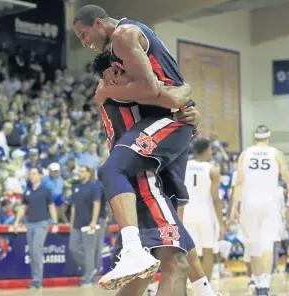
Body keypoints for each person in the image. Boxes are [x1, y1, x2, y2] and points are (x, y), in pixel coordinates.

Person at [86, 25, 218, 296]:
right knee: (174, 261)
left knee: (145, 274)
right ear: (113, 72)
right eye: (126, 67)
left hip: (138, 178)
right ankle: (205, 290)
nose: (134, 69)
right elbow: (168, 94)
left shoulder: (112, 92)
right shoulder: (114, 89)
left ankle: (204, 289)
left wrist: (192, 113)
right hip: (141, 180)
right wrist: (187, 90)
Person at [231, 125, 289, 296]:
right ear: (268, 138)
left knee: (253, 245)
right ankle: (264, 285)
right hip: (270, 205)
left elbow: (239, 183)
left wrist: (233, 207)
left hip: (249, 205)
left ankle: (258, 281)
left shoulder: (245, 154)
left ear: (255, 138)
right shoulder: (276, 153)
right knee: (267, 244)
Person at [183, 138, 225, 280]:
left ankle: (192, 285)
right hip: (205, 216)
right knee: (208, 252)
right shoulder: (212, 170)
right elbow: (216, 199)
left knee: (191, 253)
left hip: (187, 215)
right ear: (207, 150)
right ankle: (205, 289)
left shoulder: (184, 166)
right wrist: (221, 223)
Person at [14, 167, 58, 289]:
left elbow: (52, 207)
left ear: (40, 176)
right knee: (33, 252)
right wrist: (16, 222)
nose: (31, 175)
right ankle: (35, 279)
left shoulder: (46, 191)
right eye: (30, 173)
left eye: (34, 173)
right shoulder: (27, 192)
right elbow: (23, 208)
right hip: (30, 224)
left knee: (37, 251)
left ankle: (38, 281)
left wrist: (54, 222)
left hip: (42, 223)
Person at [68, 166, 102, 286]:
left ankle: (87, 278)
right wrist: (71, 222)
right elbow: (73, 206)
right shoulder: (76, 187)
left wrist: (94, 221)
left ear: (88, 173)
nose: (79, 173)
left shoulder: (94, 187)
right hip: (77, 224)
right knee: (73, 248)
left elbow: (96, 204)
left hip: (89, 224)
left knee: (89, 251)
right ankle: (91, 268)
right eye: (79, 171)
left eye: (82, 171)